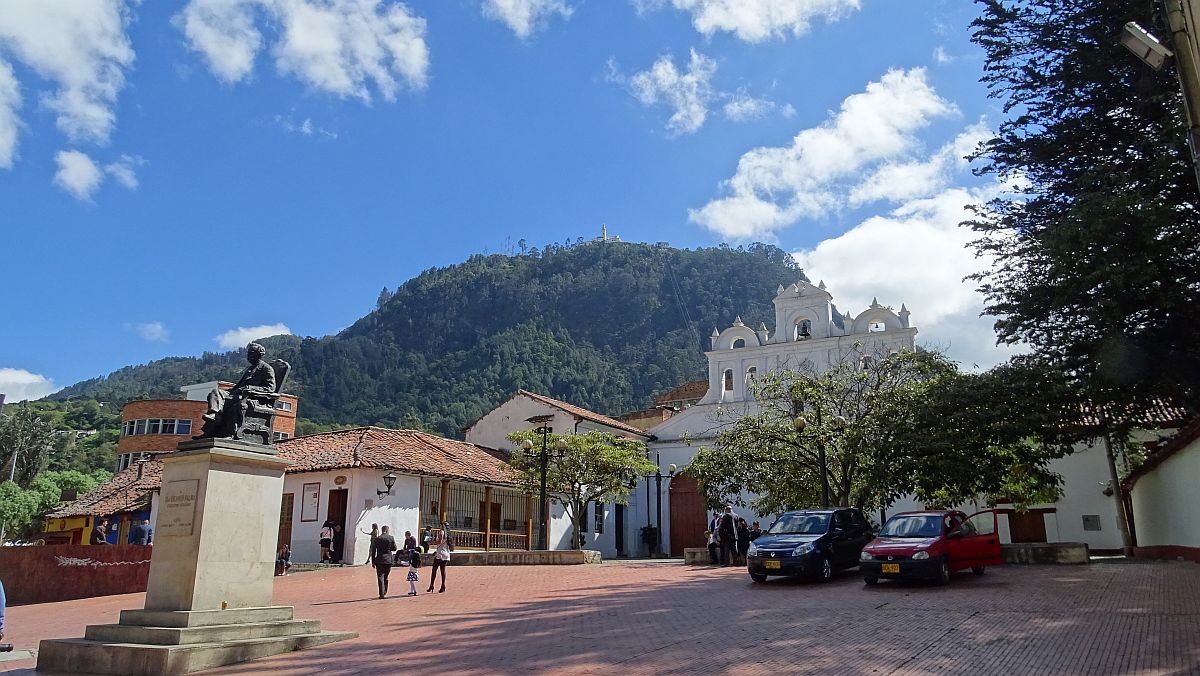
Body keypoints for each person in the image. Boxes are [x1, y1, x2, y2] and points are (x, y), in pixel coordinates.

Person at [193, 342, 277, 439]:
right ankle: (214, 417)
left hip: (253, 398)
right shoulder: (250, 369)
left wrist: (250, 388)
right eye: (248, 353)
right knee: (216, 392)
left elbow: (270, 388)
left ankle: (232, 432)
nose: (248, 356)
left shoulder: (266, 369)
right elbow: (239, 386)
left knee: (232, 403)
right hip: (238, 393)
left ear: (259, 355)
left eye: (251, 353)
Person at [370, 525, 397, 599]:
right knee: (386, 576)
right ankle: (384, 591)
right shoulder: (391, 538)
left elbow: (373, 551)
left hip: (379, 560)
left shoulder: (377, 539)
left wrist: (373, 561)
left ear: (382, 530)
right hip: (388, 560)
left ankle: (381, 593)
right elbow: (394, 548)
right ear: (387, 530)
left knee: (380, 577)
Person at [427, 528, 449, 593]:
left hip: (440, 553)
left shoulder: (442, 532)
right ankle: (443, 586)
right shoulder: (448, 533)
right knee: (443, 570)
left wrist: (431, 542)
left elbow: (440, 541)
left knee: (434, 570)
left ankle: (431, 585)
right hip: (446, 553)